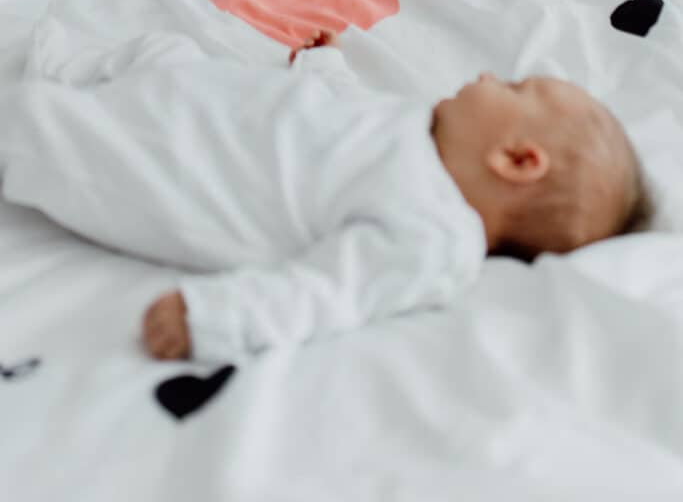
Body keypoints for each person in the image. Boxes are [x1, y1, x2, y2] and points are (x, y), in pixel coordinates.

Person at [138, 30, 652, 364]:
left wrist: (218, 318)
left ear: (516, 159)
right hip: (200, 91)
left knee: (66, 133)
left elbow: (328, 291)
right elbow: (351, 110)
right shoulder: (426, 131)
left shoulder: (436, 236)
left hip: (172, 151)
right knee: (155, 51)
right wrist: (322, 66)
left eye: (513, 88)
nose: (488, 76)